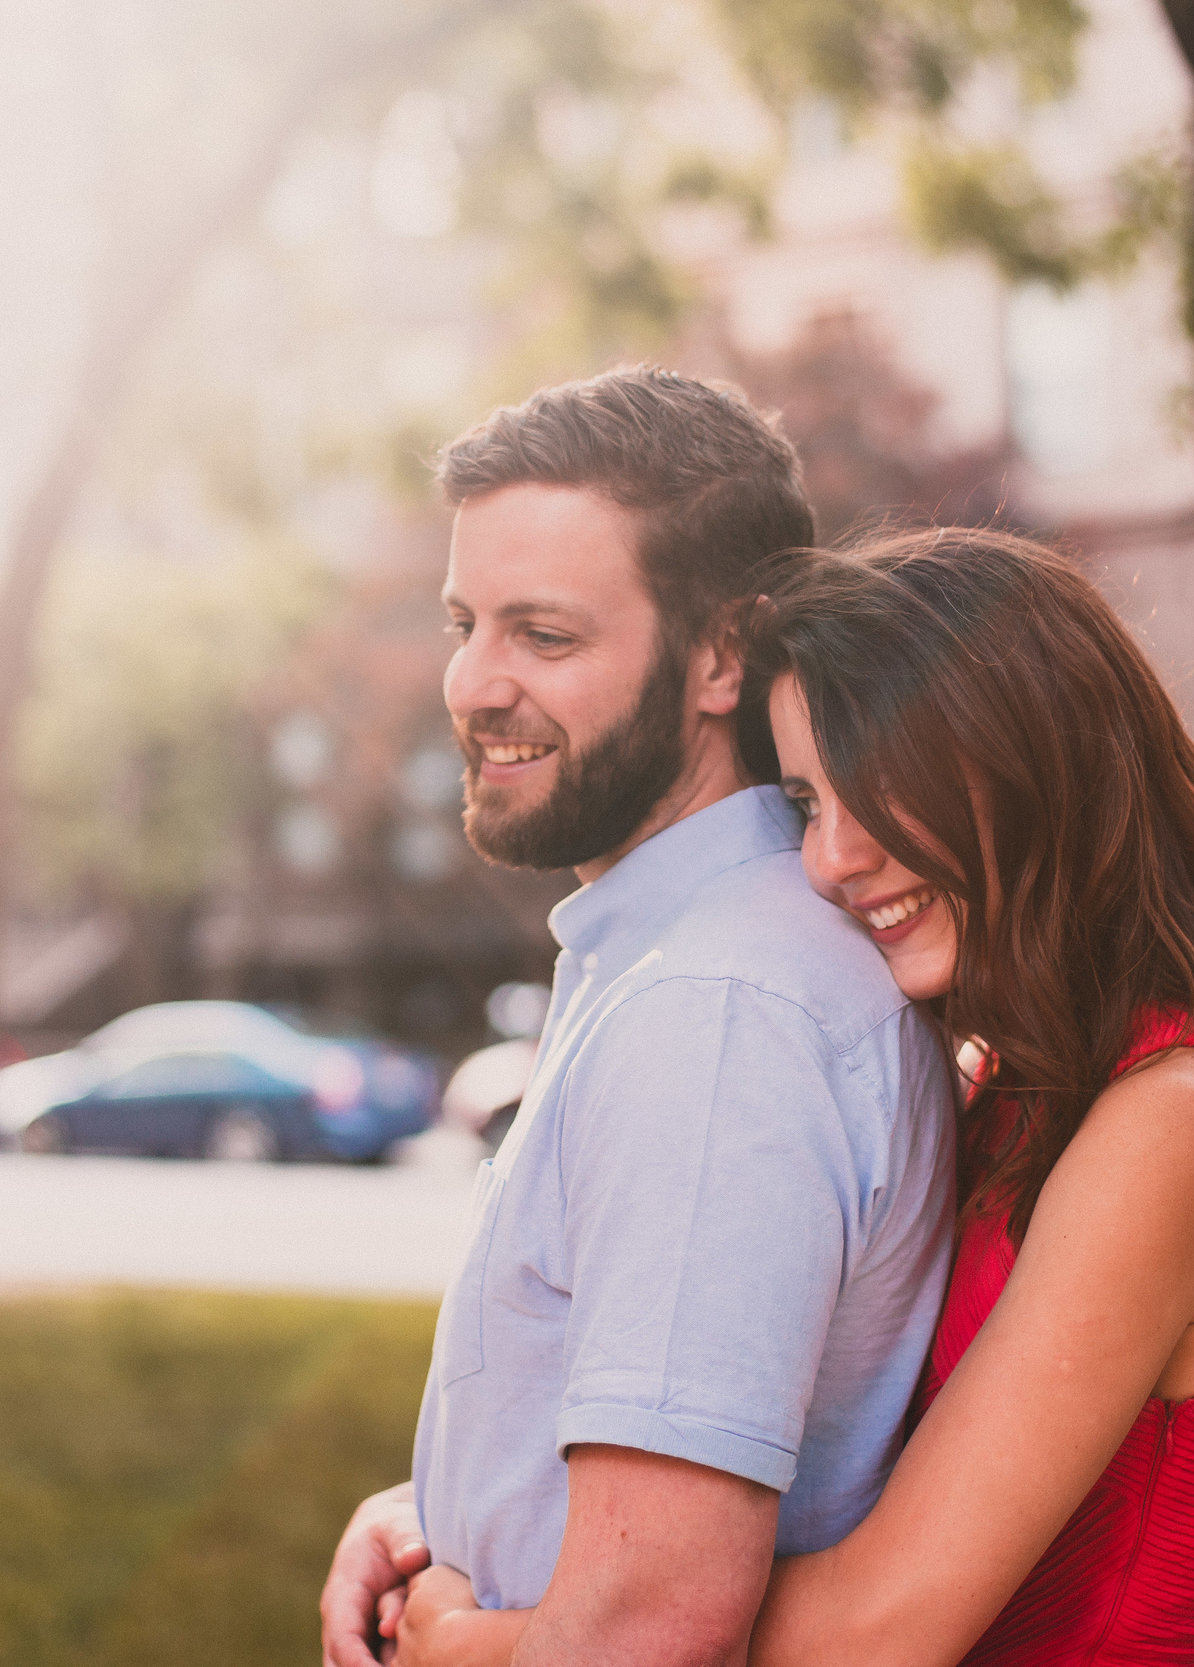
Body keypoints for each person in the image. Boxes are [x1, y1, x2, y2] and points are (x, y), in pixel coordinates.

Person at [390, 527, 1194, 1667]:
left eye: (885, 784)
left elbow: (876, 1630)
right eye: (807, 798)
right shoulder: (1015, 1079)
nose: (833, 858)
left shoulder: (1185, 1118)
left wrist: (475, 1639)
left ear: (1040, 758)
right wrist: (428, 1523)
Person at [318, 369, 957, 1667]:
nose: (473, 687)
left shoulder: (718, 1015)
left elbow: (651, 1627)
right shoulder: (675, 956)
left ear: (724, 653)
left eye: (543, 636)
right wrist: (437, 1512)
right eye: (464, 623)